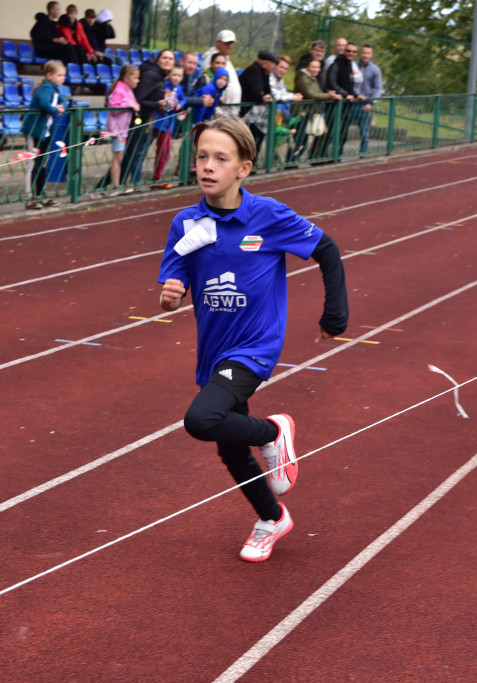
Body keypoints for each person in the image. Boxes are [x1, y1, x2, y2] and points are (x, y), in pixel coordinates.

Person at [157, 116, 347, 562]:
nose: (207, 165)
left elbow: (326, 249)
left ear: (243, 168)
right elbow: (174, 283)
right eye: (202, 156)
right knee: (229, 445)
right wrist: (170, 296)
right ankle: (272, 517)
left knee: (201, 420)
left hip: (255, 345)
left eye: (220, 158)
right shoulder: (186, 222)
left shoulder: (268, 216)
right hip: (215, 348)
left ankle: (272, 430)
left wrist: (335, 314)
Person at [121, 49, 175, 185]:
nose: (167, 61)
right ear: (158, 59)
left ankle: (126, 185)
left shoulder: (161, 76)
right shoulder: (152, 75)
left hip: (148, 119)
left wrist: (166, 105)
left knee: (136, 154)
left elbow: (156, 100)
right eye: (165, 58)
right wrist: (158, 103)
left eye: (171, 58)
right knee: (134, 154)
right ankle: (127, 185)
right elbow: (139, 98)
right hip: (138, 119)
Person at [21, 60, 67, 209]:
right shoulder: (45, 88)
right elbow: (44, 104)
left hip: (45, 133)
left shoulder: (54, 90)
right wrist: (56, 110)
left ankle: (41, 194)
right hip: (35, 131)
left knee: (42, 164)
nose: (62, 78)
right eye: (59, 75)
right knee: (33, 164)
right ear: (49, 75)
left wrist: (62, 106)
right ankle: (30, 198)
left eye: (63, 75)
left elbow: (63, 101)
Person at [292, 55, 340, 163]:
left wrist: (328, 94)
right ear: (308, 67)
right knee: (300, 140)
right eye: (313, 67)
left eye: (317, 67)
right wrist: (328, 96)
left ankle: (313, 158)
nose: (315, 69)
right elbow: (311, 94)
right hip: (301, 112)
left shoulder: (313, 78)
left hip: (312, 112)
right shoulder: (303, 78)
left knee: (320, 133)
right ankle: (291, 162)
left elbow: (317, 93)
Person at [102, 63, 138, 194]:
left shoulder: (127, 89)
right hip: (117, 129)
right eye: (135, 78)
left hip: (123, 129)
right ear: (127, 78)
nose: (137, 81)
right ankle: (115, 186)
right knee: (118, 157)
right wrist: (130, 104)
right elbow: (114, 108)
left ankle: (117, 184)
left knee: (119, 156)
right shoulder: (119, 89)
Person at [324, 42, 362, 157]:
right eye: (349, 51)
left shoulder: (350, 66)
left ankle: (337, 156)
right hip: (335, 105)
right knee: (330, 132)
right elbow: (331, 83)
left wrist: (356, 95)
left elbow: (349, 86)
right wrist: (345, 95)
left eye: (354, 51)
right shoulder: (335, 65)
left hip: (346, 106)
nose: (351, 53)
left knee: (344, 132)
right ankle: (323, 156)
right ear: (344, 51)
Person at [151, 64, 185, 188]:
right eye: (174, 74)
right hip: (160, 123)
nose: (176, 78)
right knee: (162, 151)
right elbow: (161, 100)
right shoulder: (164, 86)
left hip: (170, 124)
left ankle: (157, 177)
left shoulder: (179, 88)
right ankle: (157, 179)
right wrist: (168, 103)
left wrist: (180, 104)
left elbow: (183, 99)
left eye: (179, 75)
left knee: (166, 153)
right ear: (169, 75)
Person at [200, 30, 240, 105]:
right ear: (218, 43)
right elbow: (208, 81)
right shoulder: (212, 58)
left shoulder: (226, 59)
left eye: (231, 43)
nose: (229, 45)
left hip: (229, 108)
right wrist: (217, 97)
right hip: (217, 108)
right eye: (226, 43)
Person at [355, 44, 382, 157]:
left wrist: (371, 103)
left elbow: (378, 88)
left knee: (364, 132)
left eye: (368, 53)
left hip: (364, 104)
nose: (365, 55)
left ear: (371, 55)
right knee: (342, 130)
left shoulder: (375, 70)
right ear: (360, 53)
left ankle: (363, 155)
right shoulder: (353, 66)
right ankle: (337, 156)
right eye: (363, 52)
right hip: (351, 102)